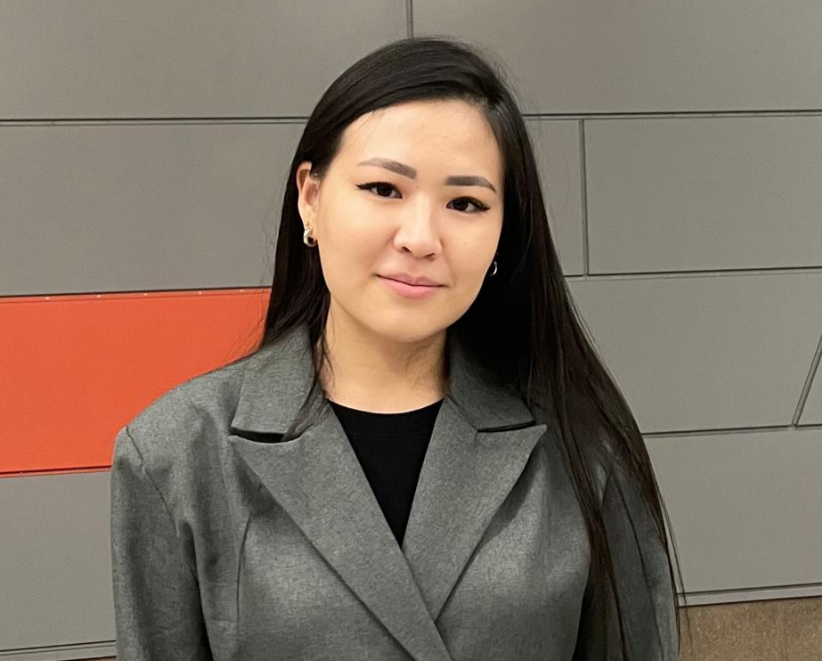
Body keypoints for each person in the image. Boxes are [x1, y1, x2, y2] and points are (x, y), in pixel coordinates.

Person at [110, 36, 690, 661]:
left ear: (504, 232)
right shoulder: (176, 454)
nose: (420, 238)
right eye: (384, 189)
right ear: (310, 198)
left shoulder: (581, 445)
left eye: (465, 203)